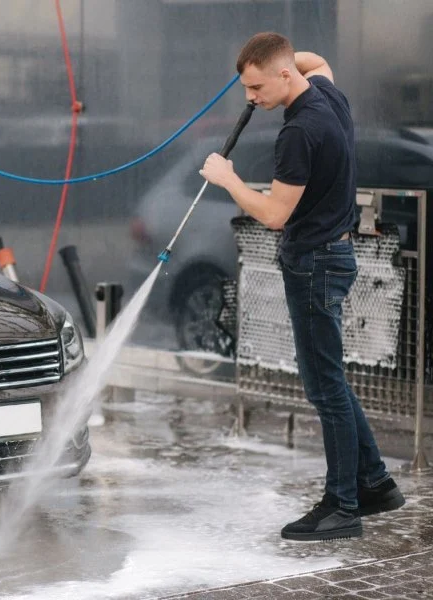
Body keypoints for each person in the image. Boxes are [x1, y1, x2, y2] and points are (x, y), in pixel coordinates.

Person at [199, 32, 405, 541]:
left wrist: (227, 178)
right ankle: (375, 483)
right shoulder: (328, 96)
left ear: (286, 75)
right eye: (246, 89)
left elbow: (274, 214)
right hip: (334, 256)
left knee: (325, 388)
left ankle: (342, 507)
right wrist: (272, 60)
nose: (251, 99)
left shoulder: (298, 133)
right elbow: (319, 60)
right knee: (331, 381)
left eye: (256, 87)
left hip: (314, 264)